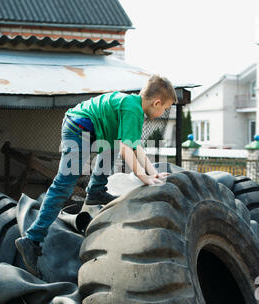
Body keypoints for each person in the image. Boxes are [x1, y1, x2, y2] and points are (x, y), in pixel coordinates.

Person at [15, 75, 178, 276]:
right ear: (157, 102)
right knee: (64, 185)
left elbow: (135, 147)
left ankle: (96, 191)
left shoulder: (133, 104)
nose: (163, 112)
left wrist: (153, 173)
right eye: (165, 108)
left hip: (90, 128)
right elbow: (127, 151)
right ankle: (32, 239)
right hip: (78, 127)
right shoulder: (133, 110)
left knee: (112, 144)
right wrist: (144, 178)